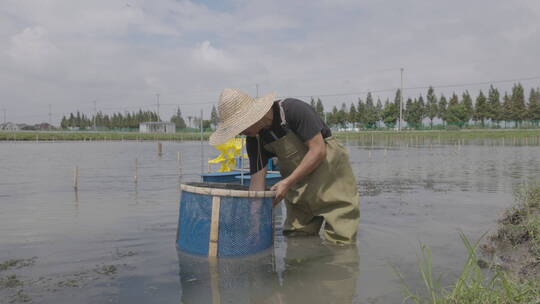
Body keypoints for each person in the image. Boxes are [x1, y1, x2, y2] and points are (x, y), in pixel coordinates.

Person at [209, 88, 359, 244]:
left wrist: (287, 182)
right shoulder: (255, 140)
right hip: (299, 189)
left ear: (252, 118)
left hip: (331, 180)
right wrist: (255, 224)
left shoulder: (292, 111)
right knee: (297, 239)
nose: (240, 133)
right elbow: (256, 184)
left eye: (240, 128)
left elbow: (318, 150)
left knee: (341, 243)